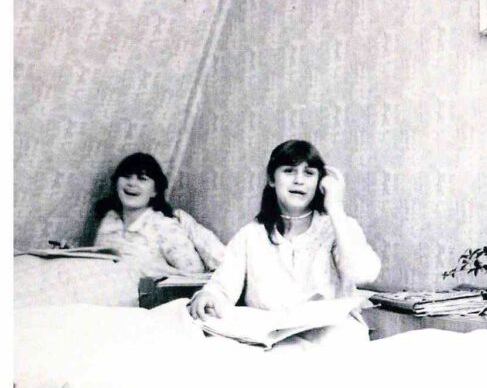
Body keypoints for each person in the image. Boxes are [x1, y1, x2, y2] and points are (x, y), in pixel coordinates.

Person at [188, 140, 381, 337]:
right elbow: (222, 286)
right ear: (272, 179)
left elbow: (363, 273)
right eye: (289, 171)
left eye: (309, 173)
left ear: (319, 182)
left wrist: (335, 208)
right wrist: (208, 295)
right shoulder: (250, 235)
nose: (299, 180)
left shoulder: (338, 226)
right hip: (269, 339)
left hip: (328, 337)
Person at [93, 153, 207, 277]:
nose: (131, 183)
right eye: (126, 176)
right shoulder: (109, 220)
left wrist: (152, 272)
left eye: (142, 179)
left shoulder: (164, 226)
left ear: (155, 191)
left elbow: (194, 275)